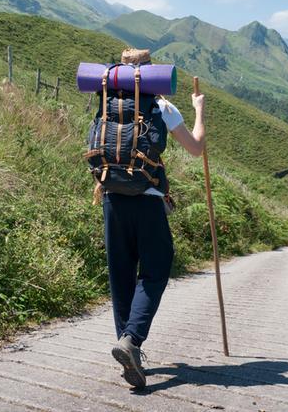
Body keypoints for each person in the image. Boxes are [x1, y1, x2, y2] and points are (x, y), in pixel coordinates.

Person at [102, 48, 206, 390]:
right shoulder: (162, 107)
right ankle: (131, 340)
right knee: (157, 267)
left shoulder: (108, 105)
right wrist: (199, 111)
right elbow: (196, 148)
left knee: (121, 274)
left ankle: (127, 346)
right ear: (149, 74)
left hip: (112, 199)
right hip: (148, 201)